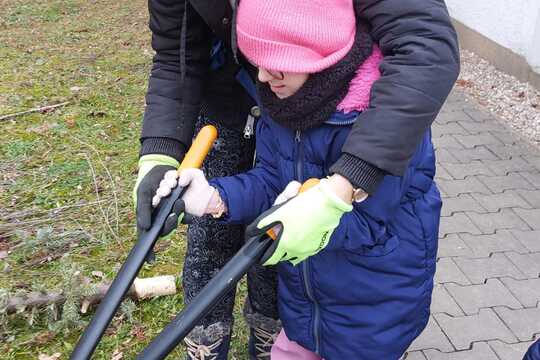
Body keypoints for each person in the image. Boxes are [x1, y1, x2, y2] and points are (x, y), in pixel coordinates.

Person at [134, 0, 459, 358]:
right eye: (256, 62)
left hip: (372, 317)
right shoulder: (283, 107)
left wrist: (316, 215)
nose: (260, 78)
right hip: (307, 313)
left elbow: (368, 224)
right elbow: (271, 180)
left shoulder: (371, 124)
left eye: (275, 65)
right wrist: (215, 197)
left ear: (316, 56)